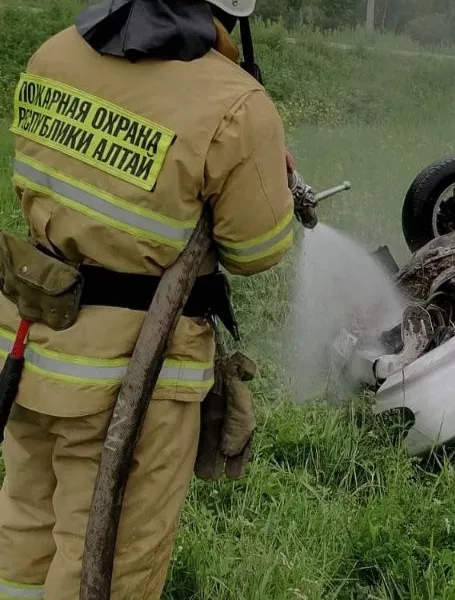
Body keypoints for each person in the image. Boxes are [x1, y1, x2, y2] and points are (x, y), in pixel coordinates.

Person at [0, 0, 297, 598]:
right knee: (108, 565)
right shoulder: (236, 105)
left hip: (29, 344)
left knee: (24, 536)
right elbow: (256, 250)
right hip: (133, 376)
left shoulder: (53, 54)